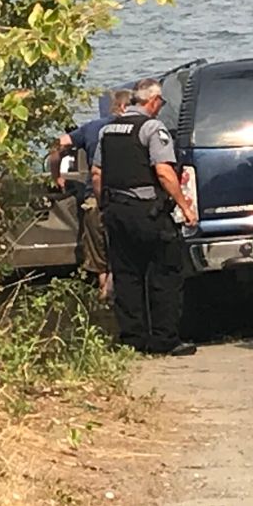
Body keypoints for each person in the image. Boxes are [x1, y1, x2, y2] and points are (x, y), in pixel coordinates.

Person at [91, 78, 198, 357]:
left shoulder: (108, 129)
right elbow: (164, 172)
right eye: (160, 102)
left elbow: (97, 174)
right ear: (153, 101)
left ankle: (132, 340)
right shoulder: (153, 128)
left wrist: (105, 205)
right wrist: (184, 206)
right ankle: (165, 340)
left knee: (127, 276)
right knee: (166, 273)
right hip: (147, 213)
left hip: (116, 211)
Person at [49, 89, 132, 301]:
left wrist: (56, 175)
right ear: (126, 107)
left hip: (94, 199)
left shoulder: (92, 127)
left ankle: (104, 294)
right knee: (123, 251)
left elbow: (57, 145)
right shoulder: (137, 127)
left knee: (99, 259)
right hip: (126, 197)